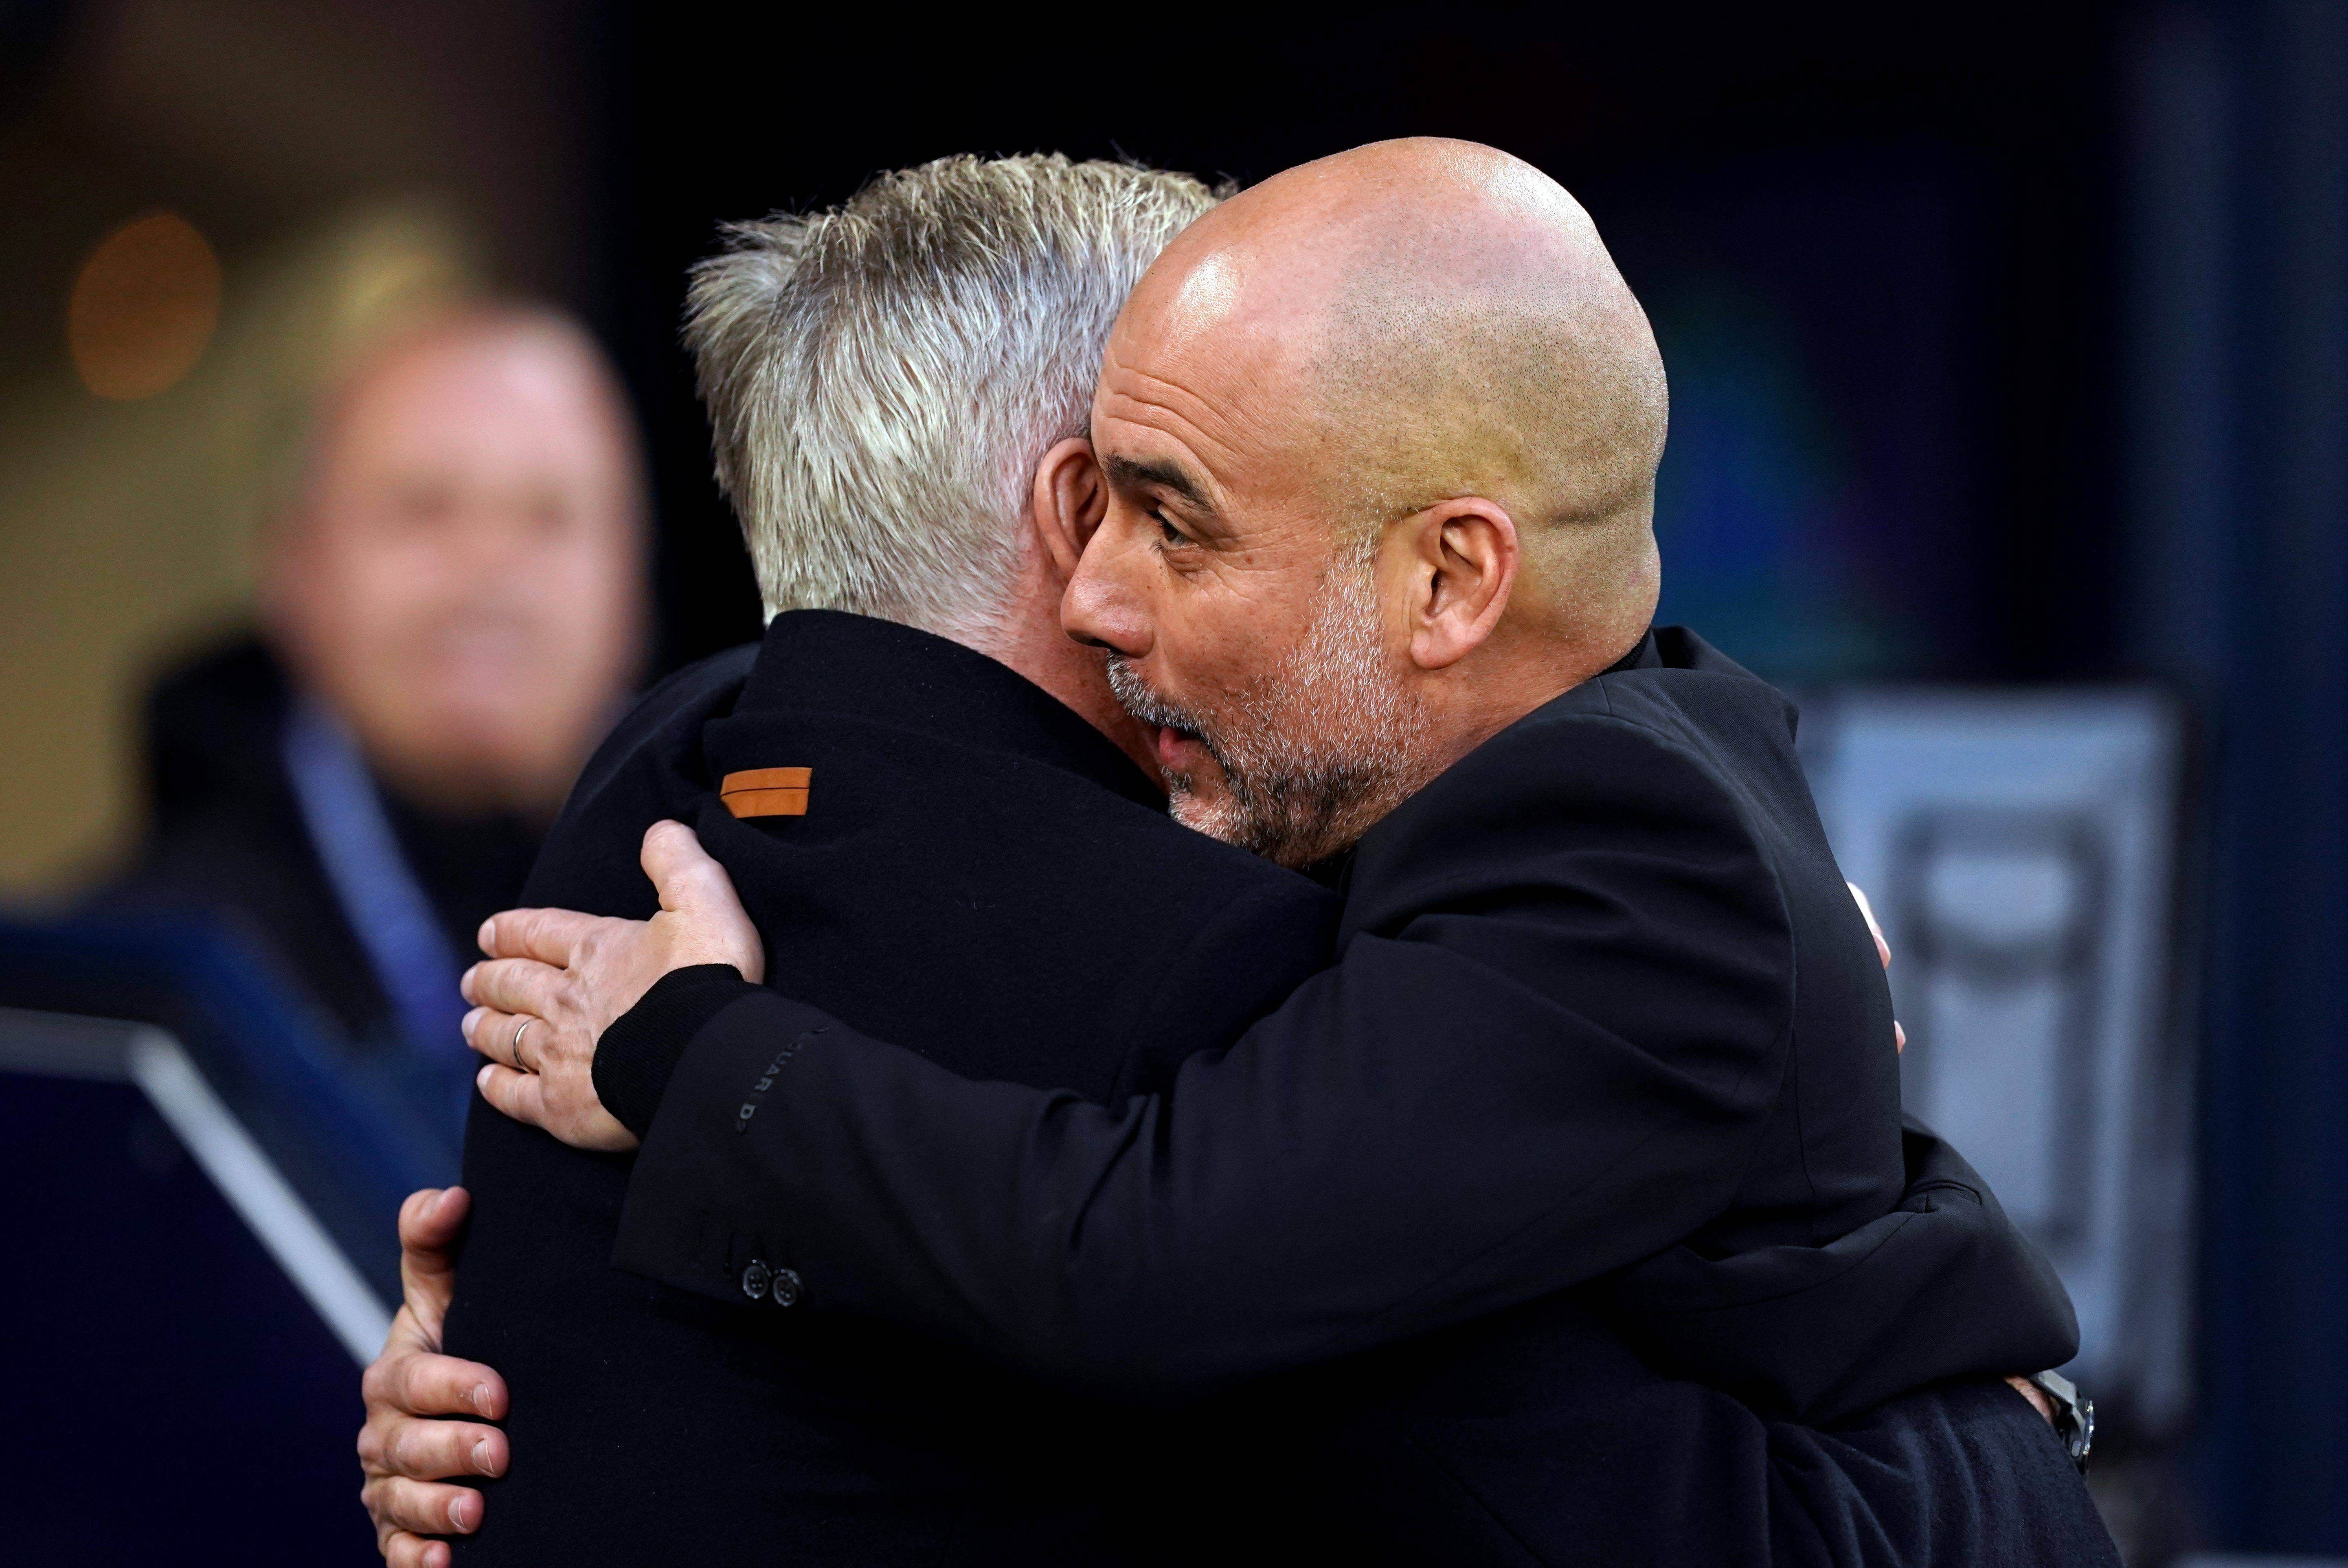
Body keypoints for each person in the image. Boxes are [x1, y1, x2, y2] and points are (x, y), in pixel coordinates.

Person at [366, 150, 2100, 1566]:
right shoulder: (1198, 954)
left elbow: (1170, 1257)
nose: (1112, 591)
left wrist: (636, 1152)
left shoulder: (662, 779)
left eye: (1179, 512)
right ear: (1054, 503)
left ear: (1445, 577)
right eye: (1116, 506)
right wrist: (1997, 1434)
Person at [95, 307, 648, 1158]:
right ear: (293, 567)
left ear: (634, 588)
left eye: (550, 515)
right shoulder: (124, 997)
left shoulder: (768, 932)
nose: (489, 564)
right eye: (423, 509)